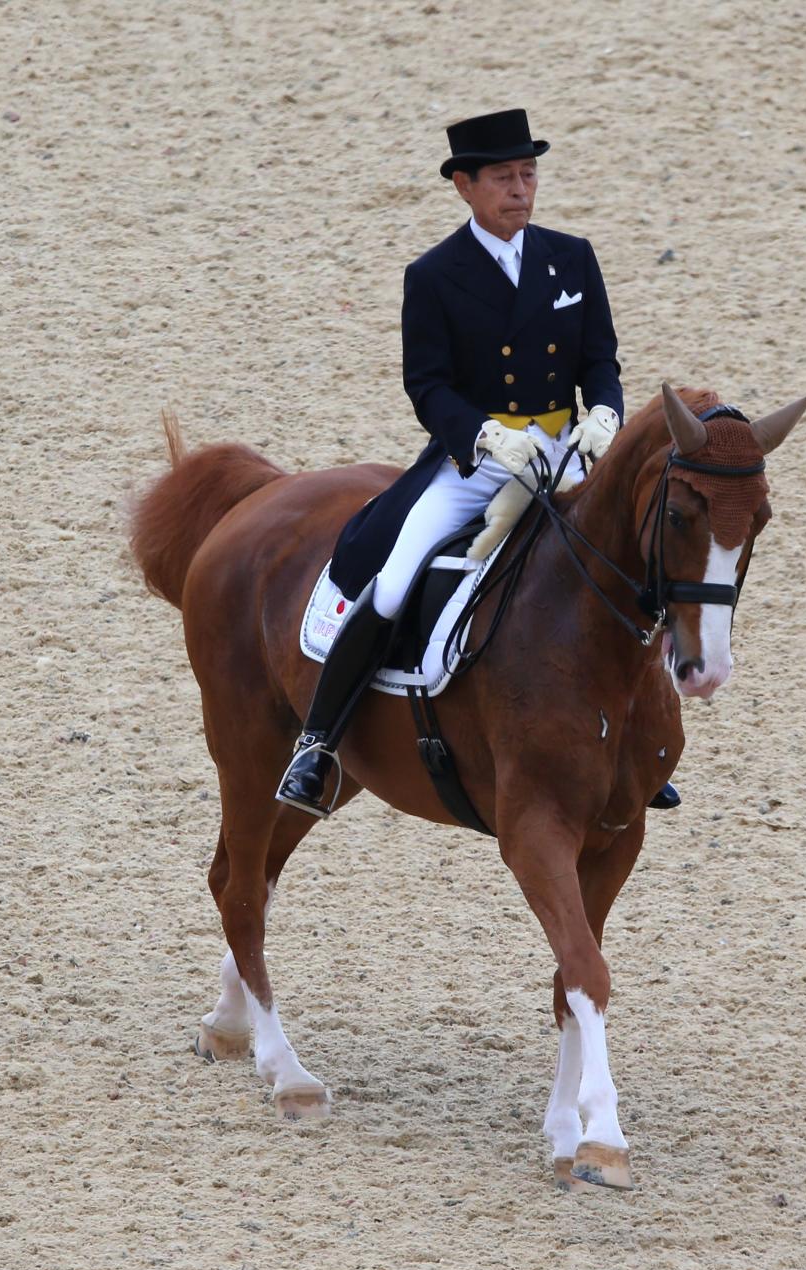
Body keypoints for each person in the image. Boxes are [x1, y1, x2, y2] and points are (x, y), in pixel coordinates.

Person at [276, 108, 681, 818]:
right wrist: (489, 436)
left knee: (637, 564)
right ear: (464, 186)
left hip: (565, 456)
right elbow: (427, 386)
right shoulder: (433, 276)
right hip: (479, 467)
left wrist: (606, 413)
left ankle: (640, 743)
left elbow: (599, 359)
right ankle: (318, 741)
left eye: (528, 174)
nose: (520, 189)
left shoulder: (572, 256)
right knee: (398, 580)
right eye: (503, 177)